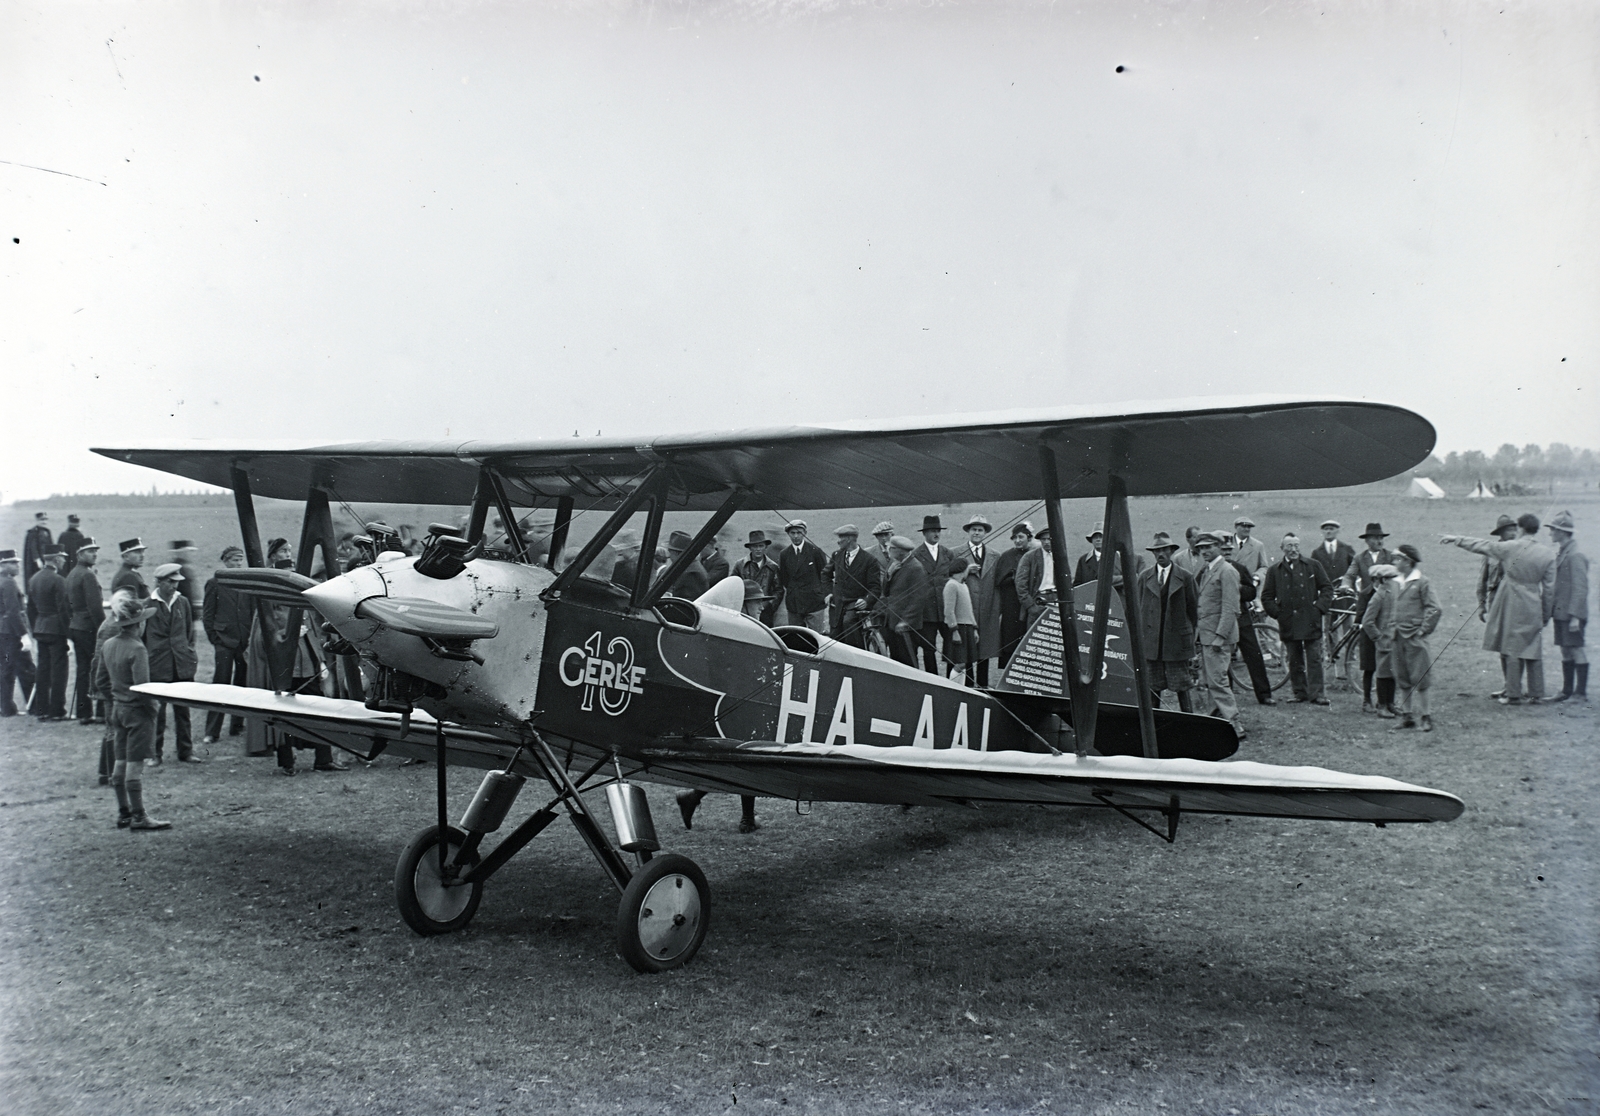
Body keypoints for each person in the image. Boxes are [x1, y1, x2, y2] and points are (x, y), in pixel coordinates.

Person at [1441, 513, 1557, 704]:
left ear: (1520, 528)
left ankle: (1513, 694)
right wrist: (1545, 614)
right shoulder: (1547, 553)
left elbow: (1483, 545)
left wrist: (1457, 539)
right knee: (1533, 646)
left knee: (1511, 645)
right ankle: (1537, 693)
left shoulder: (1511, 547)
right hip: (1534, 601)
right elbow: (1550, 589)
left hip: (1512, 600)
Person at [94, 594, 171, 830]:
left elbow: (100, 681)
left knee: (120, 759)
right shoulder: (137, 649)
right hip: (137, 711)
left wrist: (116, 698)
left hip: (118, 709)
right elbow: (143, 687)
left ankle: (123, 812)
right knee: (135, 764)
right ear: (139, 623)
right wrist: (153, 710)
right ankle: (139, 816)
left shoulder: (109, 644)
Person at [1261, 533, 1333, 705]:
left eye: (1296, 545)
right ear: (1282, 549)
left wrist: (1318, 609)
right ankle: (1299, 693)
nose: (1293, 549)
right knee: (1294, 659)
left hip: (1310, 619)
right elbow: (1267, 597)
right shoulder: (1274, 570)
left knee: (1314, 658)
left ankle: (1317, 694)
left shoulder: (1312, 565)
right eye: (1289, 546)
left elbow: (1327, 588)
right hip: (1289, 621)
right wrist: (1278, 614)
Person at [144, 563, 200, 763]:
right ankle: (154, 754)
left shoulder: (182, 602)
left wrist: (188, 653)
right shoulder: (147, 605)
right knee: (157, 713)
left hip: (181, 665)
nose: (175, 586)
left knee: (183, 711)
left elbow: (188, 633)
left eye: (177, 582)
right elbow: (142, 638)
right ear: (159, 582)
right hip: (158, 666)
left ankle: (186, 752)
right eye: (170, 582)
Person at [1137, 532, 1198, 712]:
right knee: (1152, 687)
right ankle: (1153, 725)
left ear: (1171, 551)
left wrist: (1187, 635)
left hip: (1176, 641)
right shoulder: (1145, 577)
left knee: (1181, 684)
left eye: (1164, 550)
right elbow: (1140, 608)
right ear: (1153, 554)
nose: (1160, 554)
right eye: (1156, 551)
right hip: (1152, 642)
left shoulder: (1185, 577)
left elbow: (1193, 610)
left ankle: (1189, 721)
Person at [1384, 545, 1441, 731]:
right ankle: (1407, 716)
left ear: (1408, 561)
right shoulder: (1394, 582)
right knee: (1402, 677)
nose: (1394, 562)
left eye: (1398, 559)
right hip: (1397, 637)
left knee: (1421, 677)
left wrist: (1423, 630)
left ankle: (1426, 716)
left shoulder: (1422, 582)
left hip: (1414, 638)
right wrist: (1391, 627)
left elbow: (1435, 608)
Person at [1194, 531, 1244, 739]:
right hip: (1206, 636)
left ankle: (1234, 724)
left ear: (1219, 547)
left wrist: (1220, 637)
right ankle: (1215, 721)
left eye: (1209, 547)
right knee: (1210, 681)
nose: (1204, 551)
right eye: (1201, 548)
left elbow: (1231, 607)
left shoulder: (1227, 571)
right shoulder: (1208, 570)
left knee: (1217, 681)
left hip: (1216, 638)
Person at [203, 545, 252, 741]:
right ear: (225, 561)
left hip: (244, 641)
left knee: (242, 685)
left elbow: (253, 612)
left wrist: (248, 638)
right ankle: (211, 731)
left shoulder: (247, 583)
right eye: (234, 560)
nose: (238, 564)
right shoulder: (214, 583)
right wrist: (215, 639)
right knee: (220, 686)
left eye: (240, 559)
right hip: (224, 642)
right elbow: (207, 615)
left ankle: (237, 725)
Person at [1219, 537, 1276, 706]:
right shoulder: (1212, 571)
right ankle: (1226, 695)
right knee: (1223, 658)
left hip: (1241, 619)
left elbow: (1251, 593)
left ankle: (1264, 694)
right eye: (1224, 550)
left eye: (1230, 550)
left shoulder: (1240, 569)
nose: (1228, 553)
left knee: (1254, 655)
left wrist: (1237, 588)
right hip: (1221, 620)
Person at [1345, 523, 1394, 712]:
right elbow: (1349, 575)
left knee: (1388, 662)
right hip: (1368, 606)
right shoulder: (1359, 558)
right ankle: (1367, 699)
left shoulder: (1390, 556)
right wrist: (1346, 585)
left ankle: (1388, 701)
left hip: (1386, 608)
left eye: (1381, 537)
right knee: (1369, 663)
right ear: (1367, 540)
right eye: (1375, 538)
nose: (1379, 541)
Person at [909, 516, 962, 674]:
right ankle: (933, 679)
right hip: (927, 611)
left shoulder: (947, 553)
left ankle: (951, 681)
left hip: (945, 609)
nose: (936, 534)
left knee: (951, 646)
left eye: (938, 531)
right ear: (924, 533)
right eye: (932, 531)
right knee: (928, 648)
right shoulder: (916, 555)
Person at [25, 544, 72, 720]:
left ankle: (41, 709)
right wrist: (69, 635)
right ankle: (57, 710)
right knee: (59, 670)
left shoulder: (34, 579)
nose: (65, 561)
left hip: (40, 627)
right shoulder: (59, 580)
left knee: (43, 670)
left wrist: (35, 628)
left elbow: (30, 609)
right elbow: (63, 610)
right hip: (56, 629)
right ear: (56, 559)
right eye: (63, 558)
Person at [1547, 511, 1589, 702]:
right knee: (1565, 649)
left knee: (1576, 648)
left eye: (1553, 530)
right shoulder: (1564, 552)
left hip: (1571, 613)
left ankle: (1579, 693)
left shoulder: (1575, 555)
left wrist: (1575, 616)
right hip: (1561, 612)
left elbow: (1580, 588)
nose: (1550, 534)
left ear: (1562, 532)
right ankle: (1567, 691)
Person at [65, 537, 105, 723]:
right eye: (90, 551)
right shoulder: (87, 575)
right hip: (89, 628)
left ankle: (84, 712)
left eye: (95, 550)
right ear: (80, 554)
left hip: (76, 626)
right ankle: (100, 713)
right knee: (99, 668)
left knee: (83, 670)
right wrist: (104, 629)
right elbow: (95, 608)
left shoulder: (73, 573)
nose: (94, 553)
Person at [959, 515, 1001, 686]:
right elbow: (951, 579)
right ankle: (968, 684)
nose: (977, 533)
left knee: (985, 648)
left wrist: (996, 608)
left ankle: (983, 685)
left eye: (980, 530)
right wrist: (966, 571)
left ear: (985, 533)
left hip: (987, 608)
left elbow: (997, 583)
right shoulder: (957, 553)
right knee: (967, 647)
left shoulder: (995, 555)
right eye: (974, 530)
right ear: (968, 532)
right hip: (966, 608)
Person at [876, 536, 930, 668]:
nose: (888, 550)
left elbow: (919, 599)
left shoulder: (915, 567)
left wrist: (906, 621)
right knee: (896, 661)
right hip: (892, 623)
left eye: (891, 548)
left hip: (906, 627)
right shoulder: (894, 564)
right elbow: (886, 592)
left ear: (900, 551)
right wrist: (889, 575)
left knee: (908, 661)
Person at [825, 525, 879, 649]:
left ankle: (857, 656)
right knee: (835, 638)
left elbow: (875, 587)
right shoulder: (836, 555)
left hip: (855, 604)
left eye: (841, 538)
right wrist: (829, 592)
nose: (838, 541)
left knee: (849, 623)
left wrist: (866, 601)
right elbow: (825, 575)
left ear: (849, 539)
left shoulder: (869, 560)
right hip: (837, 605)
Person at [1361, 564, 1402, 718]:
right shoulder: (1378, 596)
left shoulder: (1395, 592)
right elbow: (1367, 621)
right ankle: (1381, 705)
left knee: (1392, 673)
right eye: (1392, 578)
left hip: (1394, 640)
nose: (1395, 581)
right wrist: (1377, 638)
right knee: (1383, 674)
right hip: (1384, 642)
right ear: (1384, 579)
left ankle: (1390, 704)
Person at [994, 522, 1035, 668]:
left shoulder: (1035, 555)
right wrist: (1013, 577)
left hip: (1029, 603)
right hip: (1011, 604)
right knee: (1010, 637)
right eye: (1015, 537)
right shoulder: (1007, 556)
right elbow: (999, 580)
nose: (1017, 540)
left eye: (1021, 537)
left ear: (1029, 538)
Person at [1309, 520, 1355, 653]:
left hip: (1345, 594)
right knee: (1329, 626)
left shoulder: (1346, 549)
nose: (1329, 531)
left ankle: (1350, 653)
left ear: (1337, 530)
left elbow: (1354, 569)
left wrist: (1349, 584)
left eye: (1332, 529)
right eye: (1326, 529)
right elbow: (1313, 575)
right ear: (1322, 532)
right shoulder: (1317, 553)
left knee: (1348, 624)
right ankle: (1332, 654)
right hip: (1327, 595)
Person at [776, 520, 829, 633]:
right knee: (796, 638)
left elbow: (824, 575)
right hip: (794, 604)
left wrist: (820, 593)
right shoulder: (784, 554)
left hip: (814, 603)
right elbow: (784, 578)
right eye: (792, 533)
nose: (796, 536)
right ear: (788, 534)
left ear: (805, 533)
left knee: (817, 637)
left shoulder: (815, 551)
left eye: (799, 533)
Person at [1, 549, 36, 717]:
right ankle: (36, 706)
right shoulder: (8, 582)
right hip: (12, 632)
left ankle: (6, 708)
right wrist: (23, 635)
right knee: (26, 668)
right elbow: (14, 611)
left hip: (3, 632)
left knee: (6, 669)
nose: (18, 566)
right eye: (13, 563)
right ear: (3, 565)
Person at [732, 531, 782, 626]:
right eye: (755, 546)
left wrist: (769, 605)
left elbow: (779, 590)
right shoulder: (740, 565)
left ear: (765, 547)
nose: (758, 549)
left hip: (765, 612)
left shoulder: (773, 567)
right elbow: (733, 586)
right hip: (744, 611)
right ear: (750, 548)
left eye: (761, 546)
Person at [943, 563, 980, 685]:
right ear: (962, 571)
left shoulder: (963, 585)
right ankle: (951, 686)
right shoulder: (951, 585)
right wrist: (954, 630)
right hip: (958, 628)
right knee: (960, 663)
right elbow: (949, 611)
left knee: (966, 663)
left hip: (967, 627)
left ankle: (962, 688)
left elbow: (969, 609)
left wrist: (974, 628)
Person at [1015, 525, 1058, 626]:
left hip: (1056, 600)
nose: (1046, 542)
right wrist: (1030, 606)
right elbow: (1020, 584)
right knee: (1036, 636)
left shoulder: (1060, 556)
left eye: (1049, 539)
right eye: (1043, 539)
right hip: (1038, 600)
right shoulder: (1030, 557)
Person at [656, 531, 709, 599]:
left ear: (677, 553)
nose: (669, 556)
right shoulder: (688, 567)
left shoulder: (692, 573)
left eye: (670, 553)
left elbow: (685, 602)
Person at [1230, 517, 1269, 586]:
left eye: (1249, 527)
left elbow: (1264, 567)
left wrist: (1257, 576)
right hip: (1229, 583)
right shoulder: (1227, 543)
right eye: (1243, 526)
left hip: (1248, 586)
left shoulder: (1258, 545)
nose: (1247, 529)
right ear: (1235, 527)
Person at [170, 540, 202, 624]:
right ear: (181, 553)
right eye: (189, 551)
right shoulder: (180, 569)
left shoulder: (183, 568)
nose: (192, 554)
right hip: (182, 616)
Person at [22, 511, 52, 580]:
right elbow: (33, 547)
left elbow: (50, 545)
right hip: (36, 563)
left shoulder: (47, 531)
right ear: (37, 520)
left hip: (46, 560)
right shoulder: (33, 532)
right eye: (42, 520)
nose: (44, 522)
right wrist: (37, 560)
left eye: (45, 520)